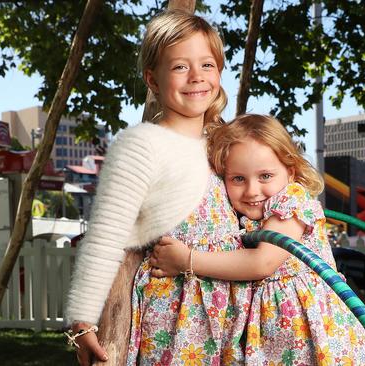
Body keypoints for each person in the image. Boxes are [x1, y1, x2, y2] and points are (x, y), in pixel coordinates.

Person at [64, 10, 251, 365]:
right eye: (180, 67)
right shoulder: (141, 146)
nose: (197, 77)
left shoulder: (223, 143)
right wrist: (83, 320)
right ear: (153, 78)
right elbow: (106, 236)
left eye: (207, 65)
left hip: (236, 306)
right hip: (178, 314)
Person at [150, 114, 365, 365]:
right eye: (238, 179)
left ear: (290, 172)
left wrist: (187, 260)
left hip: (317, 336)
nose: (252, 190)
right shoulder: (241, 220)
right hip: (276, 340)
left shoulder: (292, 200)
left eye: (266, 176)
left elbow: (262, 263)